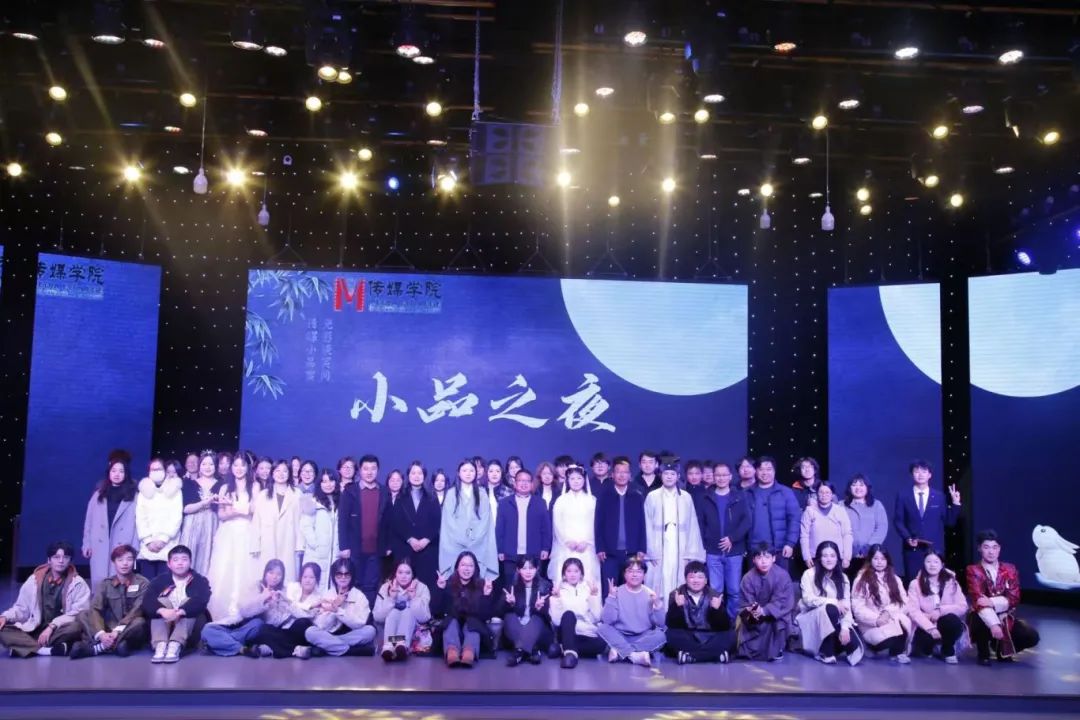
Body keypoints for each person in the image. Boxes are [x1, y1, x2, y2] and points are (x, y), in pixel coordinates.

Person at [0, 541, 90, 657]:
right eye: (56, 557)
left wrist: (52, 626)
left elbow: (78, 613)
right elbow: (21, 609)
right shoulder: (34, 580)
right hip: (34, 629)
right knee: (3, 630)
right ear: (49, 560)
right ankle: (44, 650)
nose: (61, 561)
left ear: (70, 561)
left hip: (58, 631)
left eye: (65, 557)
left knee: (76, 627)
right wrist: (5, 617)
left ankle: (24, 647)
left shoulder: (78, 583)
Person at [965, 529, 1040, 666]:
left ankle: (1000, 648)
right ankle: (983, 653)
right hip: (981, 615)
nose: (991, 552)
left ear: (999, 549)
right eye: (986, 547)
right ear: (979, 548)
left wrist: (991, 601)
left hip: (1004, 616)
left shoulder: (1010, 569)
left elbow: (1014, 598)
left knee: (1031, 636)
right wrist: (994, 624)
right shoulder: (973, 570)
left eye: (995, 547)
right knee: (979, 615)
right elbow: (979, 600)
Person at [70, 544, 150, 659]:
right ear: (114, 562)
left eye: (129, 559)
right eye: (120, 560)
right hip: (109, 626)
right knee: (83, 614)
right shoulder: (106, 583)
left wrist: (118, 630)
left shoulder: (143, 583)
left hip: (128, 627)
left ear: (134, 561)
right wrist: (101, 633)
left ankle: (99, 648)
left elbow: (138, 609)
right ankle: (111, 643)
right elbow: (95, 608)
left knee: (140, 622)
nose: (125, 563)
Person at [207, 453, 262, 621]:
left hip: (247, 532)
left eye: (242, 465)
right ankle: (221, 613)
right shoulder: (225, 487)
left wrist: (234, 508)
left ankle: (242, 612)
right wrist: (237, 511)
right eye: (236, 465)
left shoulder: (255, 486)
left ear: (248, 468)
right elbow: (222, 514)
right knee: (224, 569)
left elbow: (255, 510)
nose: (239, 469)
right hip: (228, 533)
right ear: (231, 468)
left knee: (244, 570)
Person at [695, 461, 751, 619]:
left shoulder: (740, 496)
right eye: (718, 475)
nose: (721, 478)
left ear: (730, 476)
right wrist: (705, 545)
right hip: (712, 551)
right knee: (715, 590)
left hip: (734, 551)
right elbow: (701, 524)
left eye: (724, 475)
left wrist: (732, 538)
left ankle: (732, 622)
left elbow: (747, 521)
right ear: (713, 477)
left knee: (734, 590)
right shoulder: (705, 497)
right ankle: (717, 620)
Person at [644, 460, 705, 601]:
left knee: (679, 579)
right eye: (666, 473)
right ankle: (659, 612)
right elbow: (646, 524)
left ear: (678, 476)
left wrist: (691, 553)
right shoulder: (652, 496)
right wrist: (650, 551)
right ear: (661, 475)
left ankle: (677, 610)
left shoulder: (686, 497)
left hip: (680, 545)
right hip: (658, 545)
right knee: (659, 579)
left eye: (672, 474)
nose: (669, 477)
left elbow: (692, 526)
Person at [893, 460, 962, 581]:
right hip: (912, 549)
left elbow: (949, 521)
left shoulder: (939, 496)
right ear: (912, 474)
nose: (920, 474)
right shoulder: (903, 495)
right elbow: (898, 521)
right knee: (913, 582)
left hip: (935, 548)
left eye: (924, 471)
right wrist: (907, 538)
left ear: (930, 475)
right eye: (916, 471)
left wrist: (956, 503)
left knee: (935, 583)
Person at [796, 541, 862, 665]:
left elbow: (846, 607)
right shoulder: (809, 574)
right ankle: (827, 652)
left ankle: (833, 646)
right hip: (811, 619)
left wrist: (845, 628)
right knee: (830, 608)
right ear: (819, 558)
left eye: (832, 556)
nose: (829, 559)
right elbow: (808, 600)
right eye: (825, 556)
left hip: (835, 620)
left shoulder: (843, 578)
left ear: (837, 558)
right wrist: (834, 602)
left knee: (854, 645)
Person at [142, 545, 211, 663]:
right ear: (169, 564)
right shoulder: (159, 580)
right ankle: (160, 645)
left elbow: (201, 600)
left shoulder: (199, 580)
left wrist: (180, 612)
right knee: (161, 602)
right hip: (165, 624)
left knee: (188, 603)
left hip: (190, 627)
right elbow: (147, 600)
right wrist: (163, 611)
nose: (180, 563)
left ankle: (175, 645)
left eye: (184, 559)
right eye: (175, 560)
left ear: (190, 562)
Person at [202, 559, 286, 657]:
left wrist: (272, 604)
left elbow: (276, 624)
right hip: (238, 627)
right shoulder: (255, 586)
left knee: (258, 623)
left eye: (278, 574)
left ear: (282, 577)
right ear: (265, 573)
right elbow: (243, 611)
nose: (274, 577)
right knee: (207, 629)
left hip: (255, 630)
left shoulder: (283, 593)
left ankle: (218, 644)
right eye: (271, 573)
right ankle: (243, 649)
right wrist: (262, 597)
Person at [596, 557, 666, 667]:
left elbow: (661, 624)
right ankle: (635, 656)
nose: (634, 575)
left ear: (644, 575)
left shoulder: (650, 594)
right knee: (602, 628)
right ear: (624, 574)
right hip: (620, 635)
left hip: (643, 637)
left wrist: (657, 604)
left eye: (639, 572)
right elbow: (607, 621)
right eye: (630, 571)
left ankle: (621, 652)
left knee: (660, 635)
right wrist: (611, 597)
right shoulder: (616, 592)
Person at [82, 454, 139, 588]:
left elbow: (138, 523)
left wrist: (135, 547)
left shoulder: (134, 495)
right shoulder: (98, 494)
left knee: (120, 583)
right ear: (109, 473)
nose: (117, 474)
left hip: (123, 544)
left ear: (126, 474)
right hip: (100, 544)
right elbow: (89, 521)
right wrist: (86, 543)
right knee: (99, 583)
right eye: (114, 471)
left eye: (121, 471)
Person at [339, 454, 389, 603]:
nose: (369, 472)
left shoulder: (384, 491)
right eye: (366, 468)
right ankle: (353, 614)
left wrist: (387, 545)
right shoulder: (350, 491)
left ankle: (369, 615)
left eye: (373, 468)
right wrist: (344, 546)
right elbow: (343, 521)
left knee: (372, 585)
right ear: (360, 470)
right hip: (355, 548)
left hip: (376, 548)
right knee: (354, 584)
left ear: (378, 470)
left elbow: (388, 521)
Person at [664, 560, 735, 664]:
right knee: (671, 634)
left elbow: (724, 626)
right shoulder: (676, 594)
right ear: (686, 579)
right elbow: (671, 624)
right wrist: (677, 607)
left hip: (710, 636)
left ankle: (691, 656)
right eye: (692, 577)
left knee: (730, 635)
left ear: (706, 580)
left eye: (700, 577)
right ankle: (715, 656)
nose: (696, 581)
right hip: (688, 636)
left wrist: (717, 610)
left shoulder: (715, 595)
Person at [595, 457, 647, 600]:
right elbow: (598, 524)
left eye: (625, 472)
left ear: (630, 475)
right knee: (609, 590)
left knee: (631, 590)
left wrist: (642, 548)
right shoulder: (604, 496)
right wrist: (600, 547)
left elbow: (642, 524)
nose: (622, 475)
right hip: (609, 554)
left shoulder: (637, 497)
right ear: (612, 475)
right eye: (618, 472)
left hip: (632, 553)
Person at [432, 551, 496, 668]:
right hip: (452, 629)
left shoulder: (482, 585)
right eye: (463, 565)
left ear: (475, 568)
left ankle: (469, 652)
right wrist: (440, 589)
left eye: (470, 565)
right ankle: (452, 652)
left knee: (472, 623)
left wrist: (486, 595)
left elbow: (486, 617)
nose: (467, 569)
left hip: (473, 629)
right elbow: (436, 611)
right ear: (457, 567)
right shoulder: (448, 584)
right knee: (451, 621)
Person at [439, 460, 499, 581]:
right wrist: (462, 539)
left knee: (477, 579)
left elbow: (485, 520)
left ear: (476, 473)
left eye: (471, 470)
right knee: (456, 578)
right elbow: (448, 522)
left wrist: (474, 539)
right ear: (458, 473)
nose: (468, 473)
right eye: (464, 470)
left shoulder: (482, 493)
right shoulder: (451, 494)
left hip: (478, 542)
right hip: (455, 543)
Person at [250, 561, 323, 659]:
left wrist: (291, 604)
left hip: (297, 630)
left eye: (311, 577)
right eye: (305, 577)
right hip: (282, 628)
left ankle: (274, 649)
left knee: (303, 622)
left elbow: (305, 616)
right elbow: (278, 617)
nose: (307, 580)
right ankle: (294, 650)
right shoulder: (292, 588)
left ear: (317, 579)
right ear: (300, 577)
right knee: (263, 629)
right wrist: (269, 601)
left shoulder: (319, 598)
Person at [852, 544, 912, 663]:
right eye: (876, 558)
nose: (879, 562)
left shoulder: (895, 578)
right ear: (870, 560)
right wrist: (877, 619)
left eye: (883, 559)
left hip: (891, 618)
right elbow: (858, 607)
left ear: (887, 560)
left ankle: (897, 653)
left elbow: (904, 601)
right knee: (890, 637)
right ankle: (870, 646)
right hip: (871, 624)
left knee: (903, 622)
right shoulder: (861, 579)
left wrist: (888, 612)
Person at [305, 559, 377, 657]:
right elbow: (322, 626)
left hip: (352, 634)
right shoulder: (328, 595)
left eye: (347, 574)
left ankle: (328, 647)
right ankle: (352, 651)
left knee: (370, 631)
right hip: (330, 634)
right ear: (334, 576)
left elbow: (359, 624)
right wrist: (333, 608)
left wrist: (338, 610)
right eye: (339, 574)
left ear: (352, 576)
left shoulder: (359, 596)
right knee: (310, 632)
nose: (343, 578)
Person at [907, 549, 967, 664]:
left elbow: (962, 606)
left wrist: (940, 611)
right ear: (924, 564)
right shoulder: (915, 584)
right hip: (924, 624)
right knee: (923, 648)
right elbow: (913, 611)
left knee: (952, 622)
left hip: (944, 621)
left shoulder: (952, 582)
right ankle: (930, 646)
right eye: (928, 561)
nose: (932, 565)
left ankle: (947, 650)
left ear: (942, 564)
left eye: (936, 562)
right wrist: (930, 628)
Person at [737, 543, 795, 661]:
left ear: (774, 558)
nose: (763, 561)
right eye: (759, 557)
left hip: (775, 616)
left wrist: (765, 610)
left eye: (767, 557)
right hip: (756, 618)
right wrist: (753, 610)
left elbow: (783, 601)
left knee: (781, 620)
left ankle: (777, 647)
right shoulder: (748, 578)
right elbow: (745, 601)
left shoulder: (782, 576)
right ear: (753, 560)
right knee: (747, 647)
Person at [496, 470, 553, 589]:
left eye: (527, 481)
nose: (524, 483)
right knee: (511, 588)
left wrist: (545, 548)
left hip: (534, 553)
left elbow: (546, 528)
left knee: (534, 588)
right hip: (510, 554)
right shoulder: (504, 503)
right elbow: (500, 529)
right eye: (521, 480)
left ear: (532, 484)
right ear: (515, 483)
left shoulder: (540, 503)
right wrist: (500, 549)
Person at [389, 461, 441, 589]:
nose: (416, 476)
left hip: (428, 548)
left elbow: (437, 521)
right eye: (413, 473)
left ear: (424, 475)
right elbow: (396, 522)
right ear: (408, 475)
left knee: (426, 585)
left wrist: (426, 539)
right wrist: (410, 539)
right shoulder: (401, 496)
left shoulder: (432, 496)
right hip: (406, 548)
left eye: (420, 473)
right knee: (405, 586)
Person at [549, 465, 601, 587]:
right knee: (565, 578)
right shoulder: (561, 500)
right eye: (572, 478)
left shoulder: (592, 500)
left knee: (588, 579)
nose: (576, 481)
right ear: (567, 480)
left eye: (579, 478)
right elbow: (557, 523)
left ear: (584, 480)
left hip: (587, 547)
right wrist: (566, 541)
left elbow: (596, 523)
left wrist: (587, 541)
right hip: (566, 546)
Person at [253, 460, 304, 582]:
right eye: (277, 471)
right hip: (268, 539)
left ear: (290, 473)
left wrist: (300, 544)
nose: (281, 474)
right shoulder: (263, 495)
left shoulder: (297, 494)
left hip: (289, 539)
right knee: (267, 575)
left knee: (288, 576)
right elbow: (256, 521)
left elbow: (301, 521)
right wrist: (255, 545)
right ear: (272, 473)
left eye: (285, 471)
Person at [746, 457, 800, 571]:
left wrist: (790, 543)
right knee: (754, 581)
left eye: (769, 469)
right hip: (754, 549)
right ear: (756, 471)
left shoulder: (786, 492)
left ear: (774, 471)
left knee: (780, 581)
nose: (765, 472)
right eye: (761, 469)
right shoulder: (747, 493)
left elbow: (794, 519)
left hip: (779, 548)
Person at [549, 558, 605, 668]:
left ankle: (563, 648)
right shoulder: (559, 591)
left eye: (576, 571)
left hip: (585, 633)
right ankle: (570, 654)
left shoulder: (589, 589)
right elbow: (556, 621)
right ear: (564, 574)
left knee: (601, 645)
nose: (572, 574)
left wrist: (594, 596)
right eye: (569, 571)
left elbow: (596, 618)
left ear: (581, 574)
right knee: (569, 614)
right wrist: (556, 598)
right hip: (566, 632)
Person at [373, 559, 432, 662]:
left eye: (407, 573)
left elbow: (424, 618)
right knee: (393, 612)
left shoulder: (422, 588)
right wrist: (391, 599)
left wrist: (413, 598)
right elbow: (378, 617)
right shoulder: (386, 587)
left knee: (407, 612)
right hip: (389, 630)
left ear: (413, 575)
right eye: (400, 572)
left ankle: (398, 645)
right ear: (395, 574)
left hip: (413, 633)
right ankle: (392, 646)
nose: (403, 576)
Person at [135, 458, 184, 580]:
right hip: (148, 546)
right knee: (146, 584)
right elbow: (140, 517)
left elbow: (176, 517)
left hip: (168, 544)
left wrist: (163, 539)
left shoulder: (175, 491)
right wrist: (148, 541)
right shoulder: (143, 492)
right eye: (153, 469)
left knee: (165, 585)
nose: (156, 472)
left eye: (159, 469)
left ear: (165, 471)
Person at [501, 556, 553, 666]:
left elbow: (549, 617)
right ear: (518, 570)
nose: (528, 572)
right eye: (524, 568)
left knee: (537, 619)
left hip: (537, 628)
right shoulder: (512, 587)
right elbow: (499, 612)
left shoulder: (545, 587)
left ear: (537, 569)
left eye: (531, 568)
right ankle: (532, 650)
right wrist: (511, 604)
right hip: (517, 627)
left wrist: (539, 609)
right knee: (509, 616)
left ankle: (518, 652)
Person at [180, 451, 222, 577]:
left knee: (208, 557)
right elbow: (186, 509)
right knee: (190, 555)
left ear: (216, 466)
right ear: (199, 466)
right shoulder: (189, 483)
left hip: (212, 523)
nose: (207, 467)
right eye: (204, 464)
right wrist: (205, 502)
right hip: (192, 524)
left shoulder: (221, 484)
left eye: (211, 464)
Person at [842, 474, 888, 580]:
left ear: (867, 487)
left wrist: (869, 547)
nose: (858, 488)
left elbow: (881, 528)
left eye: (862, 485)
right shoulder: (841, 505)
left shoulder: (877, 505)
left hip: (870, 555)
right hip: (847, 555)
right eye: (854, 485)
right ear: (849, 488)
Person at [799, 482, 853, 570]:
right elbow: (804, 535)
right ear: (817, 494)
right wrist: (806, 557)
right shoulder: (809, 511)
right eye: (821, 492)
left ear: (832, 495)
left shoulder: (840, 511)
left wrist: (847, 557)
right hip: (815, 557)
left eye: (827, 492)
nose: (824, 495)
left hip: (836, 557)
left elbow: (847, 534)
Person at [301, 469, 340, 588]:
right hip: (316, 553)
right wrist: (316, 544)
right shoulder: (311, 500)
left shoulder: (340, 501)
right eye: (324, 481)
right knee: (315, 584)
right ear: (319, 484)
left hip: (333, 553)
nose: (328, 484)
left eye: (331, 480)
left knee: (331, 585)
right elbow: (306, 526)